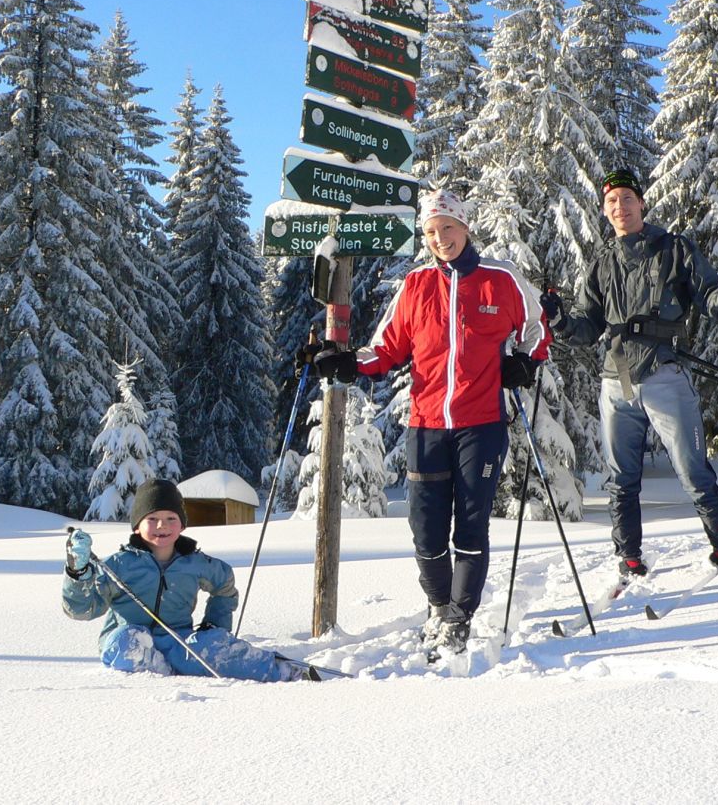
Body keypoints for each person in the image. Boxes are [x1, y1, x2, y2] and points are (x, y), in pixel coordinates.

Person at [309, 189, 549, 656]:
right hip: (425, 424)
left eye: (448, 228)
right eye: (432, 232)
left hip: (482, 425)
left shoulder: (500, 278)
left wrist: (525, 361)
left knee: (472, 524)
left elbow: (536, 326)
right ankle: (438, 606)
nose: (441, 238)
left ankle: (459, 618)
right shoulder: (417, 285)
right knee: (425, 526)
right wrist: (344, 362)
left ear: (465, 228)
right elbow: (387, 348)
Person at [541, 168, 718, 578]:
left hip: (664, 374)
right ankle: (629, 557)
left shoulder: (674, 248)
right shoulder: (603, 262)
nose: (620, 207)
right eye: (612, 201)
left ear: (641, 203)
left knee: (691, 469)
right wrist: (560, 320)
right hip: (615, 381)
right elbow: (587, 325)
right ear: (605, 210)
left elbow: (709, 300)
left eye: (627, 198)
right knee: (622, 477)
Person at [62, 478, 314, 681]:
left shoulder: (194, 563)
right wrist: (78, 571)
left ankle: (279, 670)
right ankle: (161, 674)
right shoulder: (119, 564)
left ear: (182, 525)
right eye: (152, 519)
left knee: (210, 647)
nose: (162, 525)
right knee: (126, 641)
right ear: (137, 526)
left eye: (171, 518)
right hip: (129, 647)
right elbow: (82, 609)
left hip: (178, 644)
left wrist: (215, 625)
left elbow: (224, 584)